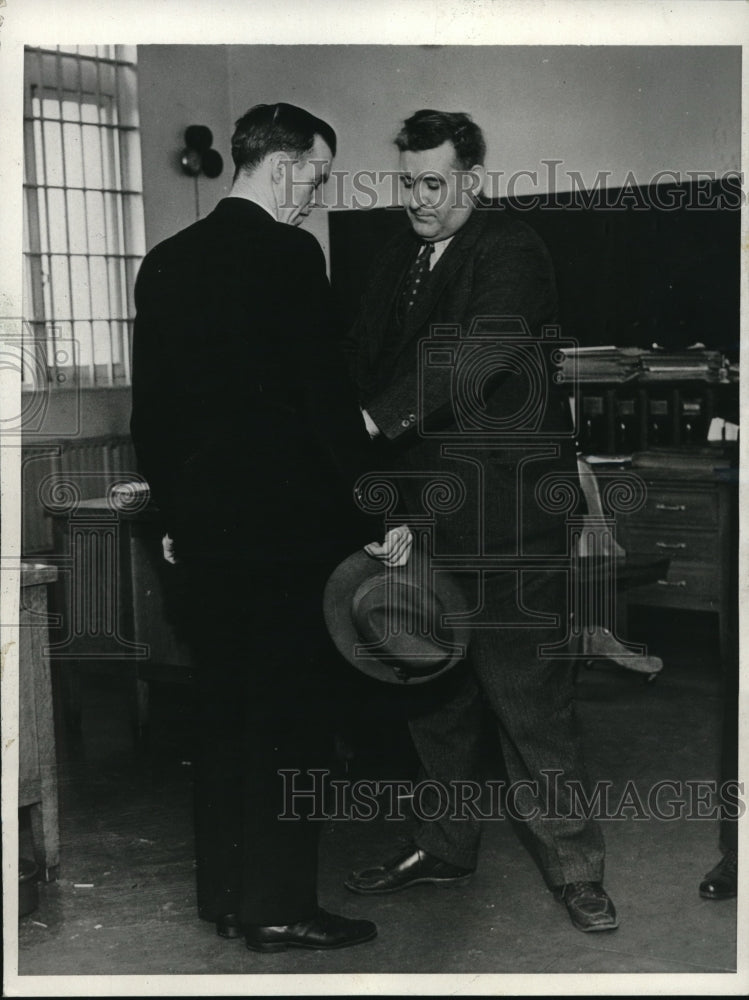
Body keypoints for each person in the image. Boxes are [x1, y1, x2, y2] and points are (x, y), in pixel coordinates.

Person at [130, 102, 403, 952]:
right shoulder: (289, 253)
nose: (312, 197)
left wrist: (173, 517)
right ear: (282, 168)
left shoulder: (166, 261)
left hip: (206, 542)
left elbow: (154, 415)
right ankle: (280, 907)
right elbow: (323, 407)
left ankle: (226, 898)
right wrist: (374, 509)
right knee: (287, 724)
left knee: (222, 716)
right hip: (288, 541)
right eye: (314, 180)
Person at [342, 109, 618, 933]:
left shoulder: (511, 251)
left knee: (527, 699)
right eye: (407, 183)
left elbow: (476, 353)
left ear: (471, 179)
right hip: (424, 515)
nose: (418, 200)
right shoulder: (400, 257)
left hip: (505, 516)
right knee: (431, 693)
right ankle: (444, 845)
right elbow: (363, 357)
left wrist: (371, 422)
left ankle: (576, 868)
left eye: (434, 183)